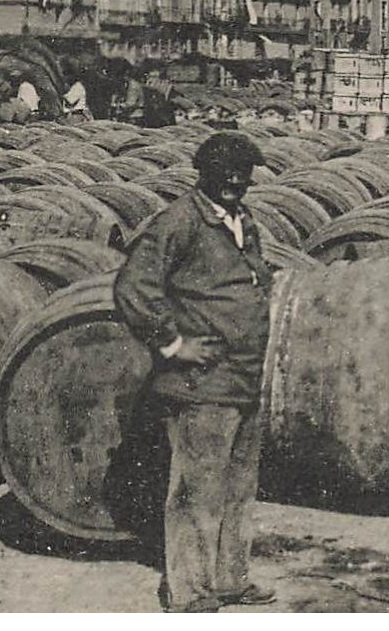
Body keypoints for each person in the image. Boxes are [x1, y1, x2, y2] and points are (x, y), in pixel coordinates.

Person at [112, 133, 275, 613]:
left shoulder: (243, 220)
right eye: (226, 171)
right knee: (196, 490)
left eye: (243, 172)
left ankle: (229, 579)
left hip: (243, 378)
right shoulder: (179, 221)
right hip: (201, 383)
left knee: (238, 487)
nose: (235, 181)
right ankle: (189, 592)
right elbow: (133, 287)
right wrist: (173, 343)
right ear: (203, 172)